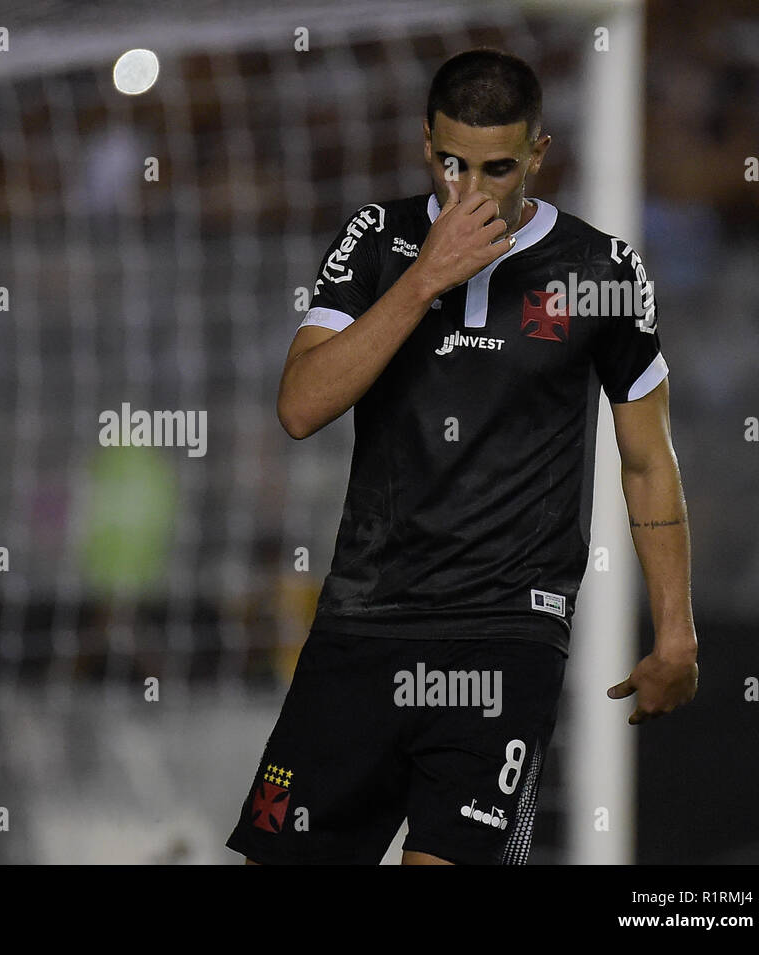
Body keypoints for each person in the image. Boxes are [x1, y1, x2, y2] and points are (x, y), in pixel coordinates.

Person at [226, 49, 698, 865]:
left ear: (539, 154)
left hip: (504, 637)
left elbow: (648, 457)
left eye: (497, 167)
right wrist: (422, 279)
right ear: (424, 145)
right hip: (363, 621)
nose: (471, 190)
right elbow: (301, 405)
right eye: (453, 164)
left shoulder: (600, 271)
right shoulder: (378, 240)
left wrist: (676, 632)